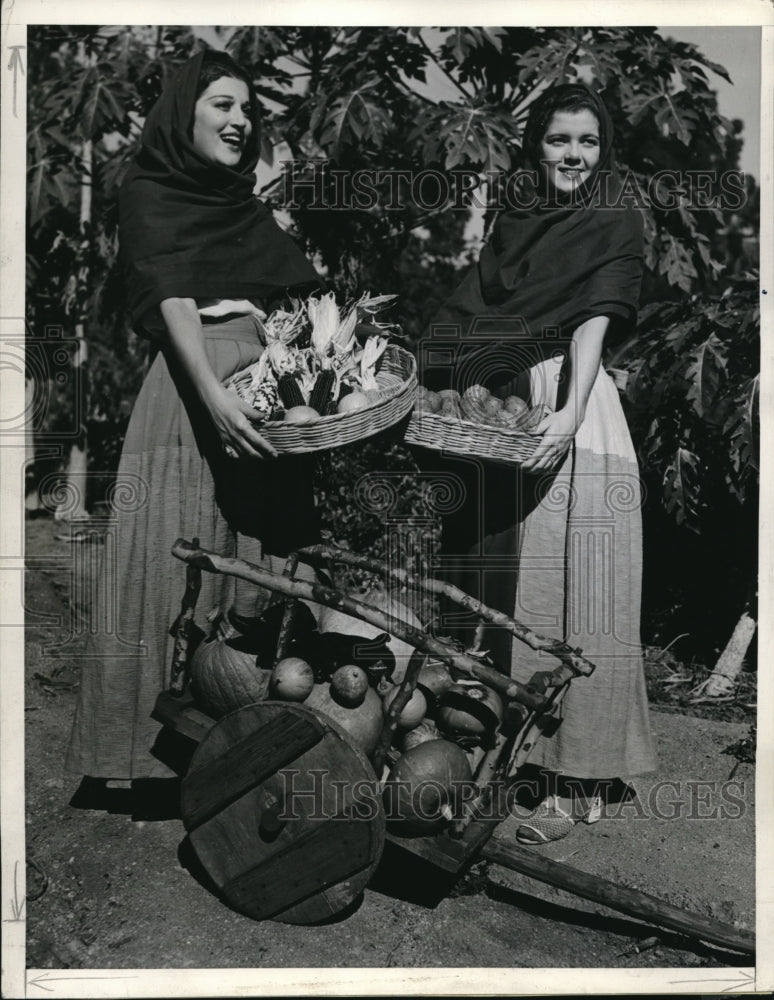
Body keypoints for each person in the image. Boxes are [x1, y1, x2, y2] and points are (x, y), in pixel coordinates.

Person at [66, 50, 322, 783]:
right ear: (186, 112)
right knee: (175, 554)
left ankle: (240, 751)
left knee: (254, 562)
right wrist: (214, 394)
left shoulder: (246, 203)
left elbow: (287, 301)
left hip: (265, 386)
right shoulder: (151, 188)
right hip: (192, 385)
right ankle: (144, 761)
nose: (240, 120)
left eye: (247, 109)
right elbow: (175, 296)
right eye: (222, 105)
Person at [422, 83, 657, 843]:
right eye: (560, 140)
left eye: (587, 142)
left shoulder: (613, 216)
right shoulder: (518, 216)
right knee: (538, 597)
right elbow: (475, 313)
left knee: (590, 595)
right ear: (538, 144)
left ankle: (580, 784)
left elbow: (593, 323)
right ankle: (538, 758)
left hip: (575, 412)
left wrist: (569, 409)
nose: (573, 156)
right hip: (519, 414)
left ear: (603, 148)